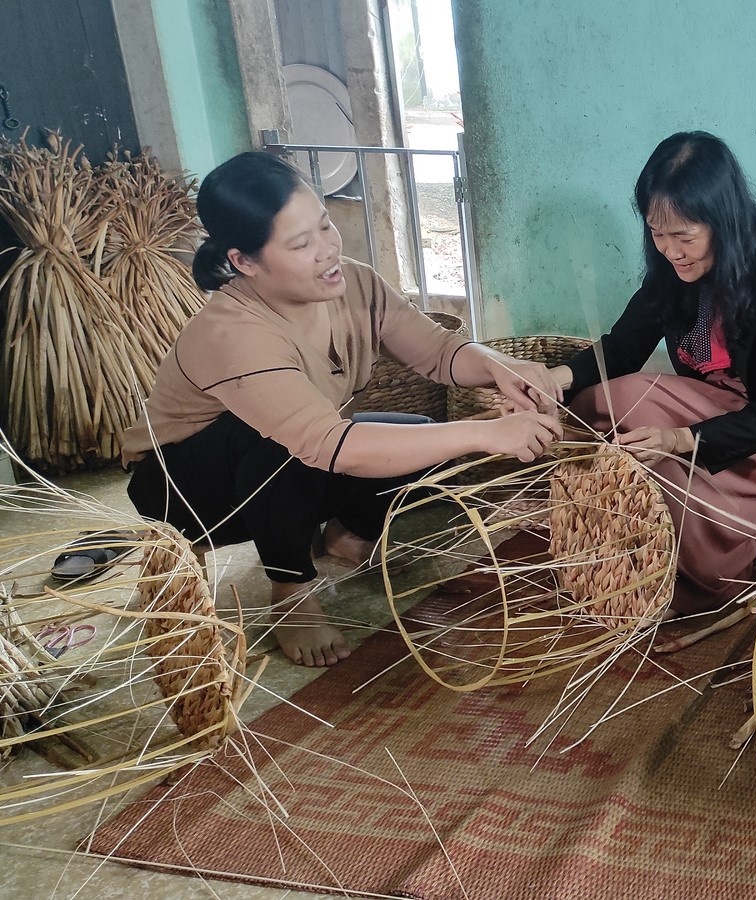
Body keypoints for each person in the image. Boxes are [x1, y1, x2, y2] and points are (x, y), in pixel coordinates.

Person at [122, 151, 563, 667]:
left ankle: (334, 532)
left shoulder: (353, 283)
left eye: (325, 225)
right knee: (288, 447)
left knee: (420, 438)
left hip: (296, 453)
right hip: (184, 488)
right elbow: (327, 444)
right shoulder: (232, 332)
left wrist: (499, 366)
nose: (328, 249)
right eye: (300, 243)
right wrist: (484, 433)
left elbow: (439, 352)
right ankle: (291, 594)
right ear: (244, 261)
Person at [524, 131, 756, 613]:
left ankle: (715, 560)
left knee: (671, 476)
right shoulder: (670, 269)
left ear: (723, 223)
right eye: (657, 233)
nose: (670, 250)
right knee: (610, 399)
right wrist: (556, 381)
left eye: (684, 236)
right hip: (724, 409)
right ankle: (709, 505)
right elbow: (621, 348)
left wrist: (680, 440)